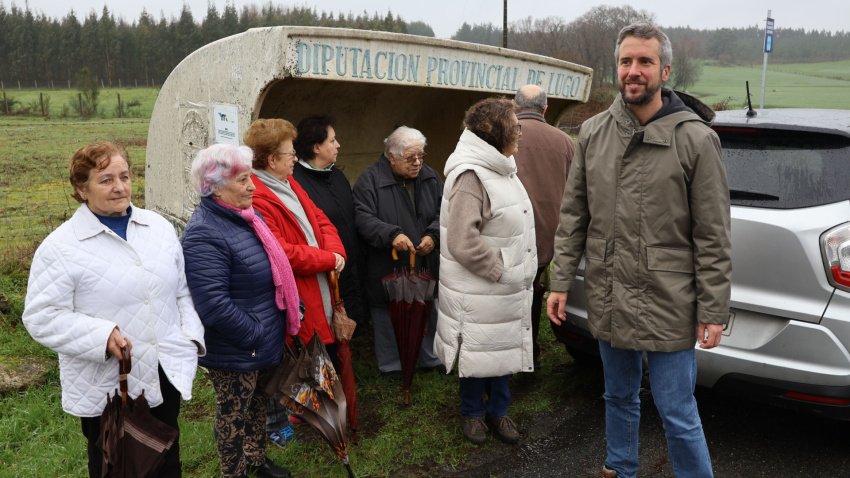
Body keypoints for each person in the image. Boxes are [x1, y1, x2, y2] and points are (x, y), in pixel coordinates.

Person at [546, 21, 732, 478]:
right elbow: (573, 216)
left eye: (645, 61)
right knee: (617, 396)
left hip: (669, 298)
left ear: (664, 70)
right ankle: (620, 468)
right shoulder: (591, 133)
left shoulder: (696, 139)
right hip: (610, 293)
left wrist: (712, 309)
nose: (634, 70)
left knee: (676, 410)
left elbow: (713, 236)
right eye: (626, 61)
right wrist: (561, 282)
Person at [22, 142, 206, 478]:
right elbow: (41, 316)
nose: (120, 187)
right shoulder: (61, 248)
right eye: (105, 180)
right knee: (118, 467)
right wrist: (101, 335)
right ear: (81, 189)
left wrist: (189, 339)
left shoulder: (158, 229)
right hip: (107, 386)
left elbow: (181, 291)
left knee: (166, 463)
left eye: (124, 176)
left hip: (164, 370)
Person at [182, 144, 299, 478]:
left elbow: (273, 268)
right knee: (234, 415)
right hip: (237, 346)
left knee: (258, 404)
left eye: (250, 178)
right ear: (215, 186)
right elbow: (213, 305)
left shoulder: (247, 216)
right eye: (243, 180)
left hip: (260, 340)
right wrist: (255, 333)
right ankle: (233, 473)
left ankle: (257, 461)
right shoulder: (205, 233)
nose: (252, 186)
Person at [434, 97, 536, 445]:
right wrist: (500, 270)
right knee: (480, 353)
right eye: (515, 125)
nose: (521, 131)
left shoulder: (502, 166)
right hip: (481, 289)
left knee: (502, 352)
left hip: (502, 290)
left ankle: (499, 412)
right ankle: (473, 414)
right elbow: (461, 241)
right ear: (496, 133)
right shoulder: (471, 175)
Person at [243, 118, 346, 446]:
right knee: (294, 362)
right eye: (289, 153)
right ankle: (286, 425)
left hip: (319, 286)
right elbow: (282, 252)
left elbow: (320, 218)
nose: (294, 158)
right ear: (271, 159)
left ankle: (315, 419)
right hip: (297, 295)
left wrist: (335, 252)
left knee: (317, 356)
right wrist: (328, 260)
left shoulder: (289, 182)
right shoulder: (257, 196)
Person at [352, 126, 443, 377]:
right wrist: (390, 234)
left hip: (424, 261)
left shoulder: (431, 177)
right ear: (391, 157)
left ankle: (430, 358)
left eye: (421, 156)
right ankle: (392, 364)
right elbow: (362, 217)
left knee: (427, 308)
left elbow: (444, 212)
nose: (417, 163)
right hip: (387, 263)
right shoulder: (370, 179)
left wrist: (433, 236)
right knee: (385, 313)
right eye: (410, 158)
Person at [512, 84, 576, 370]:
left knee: (509, 293)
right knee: (534, 290)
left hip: (509, 232)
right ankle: (530, 352)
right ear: (545, 109)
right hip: (549, 236)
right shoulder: (565, 142)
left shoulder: (503, 138)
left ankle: (512, 354)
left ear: (515, 106)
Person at [292, 115, 368, 329]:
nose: (338, 145)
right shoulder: (298, 182)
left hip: (350, 267)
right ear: (316, 147)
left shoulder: (337, 176)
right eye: (332, 141)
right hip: (327, 273)